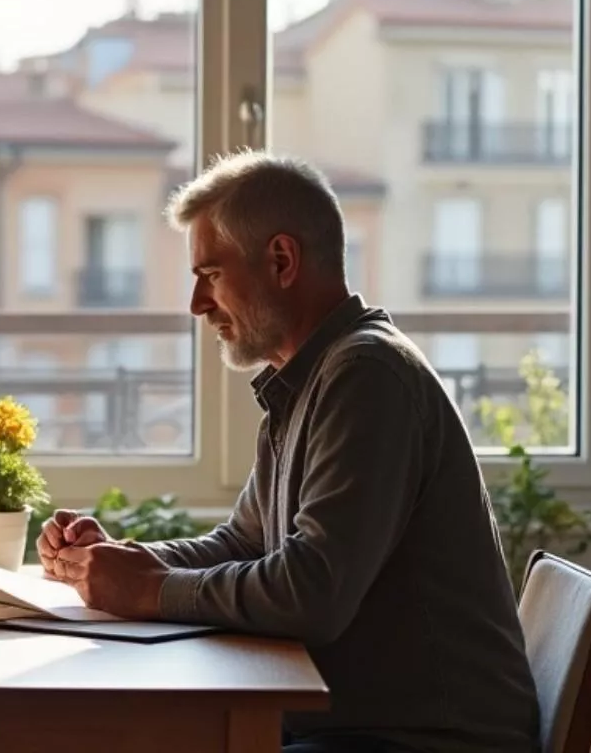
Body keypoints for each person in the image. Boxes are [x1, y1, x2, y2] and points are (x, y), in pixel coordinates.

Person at [37, 151, 540, 753]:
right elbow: (244, 544)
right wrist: (119, 560)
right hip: (366, 726)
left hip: (427, 741)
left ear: (281, 260)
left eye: (211, 275)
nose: (198, 304)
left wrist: (148, 589)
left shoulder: (366, 376)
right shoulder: (310, 380)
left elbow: (311, 593)